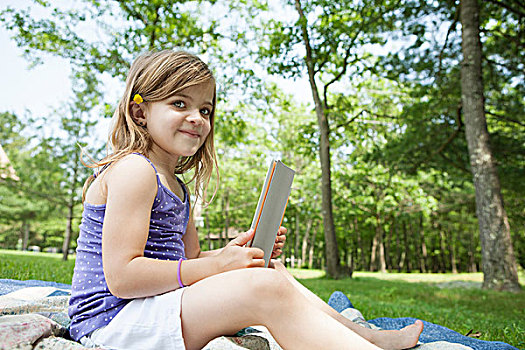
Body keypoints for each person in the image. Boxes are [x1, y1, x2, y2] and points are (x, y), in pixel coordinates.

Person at [68, 49, 423, 350]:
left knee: (266, 269)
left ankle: (364, 337)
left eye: (205, 110)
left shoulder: (176, 184)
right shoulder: (133, 170)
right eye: (180, 104)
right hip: (112, 320)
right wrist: (217, 266)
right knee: (262, 286)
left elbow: (189, 259)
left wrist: (235, 253)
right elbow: (123, 277)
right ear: (140, 112)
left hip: (153, 305)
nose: (197, 119)